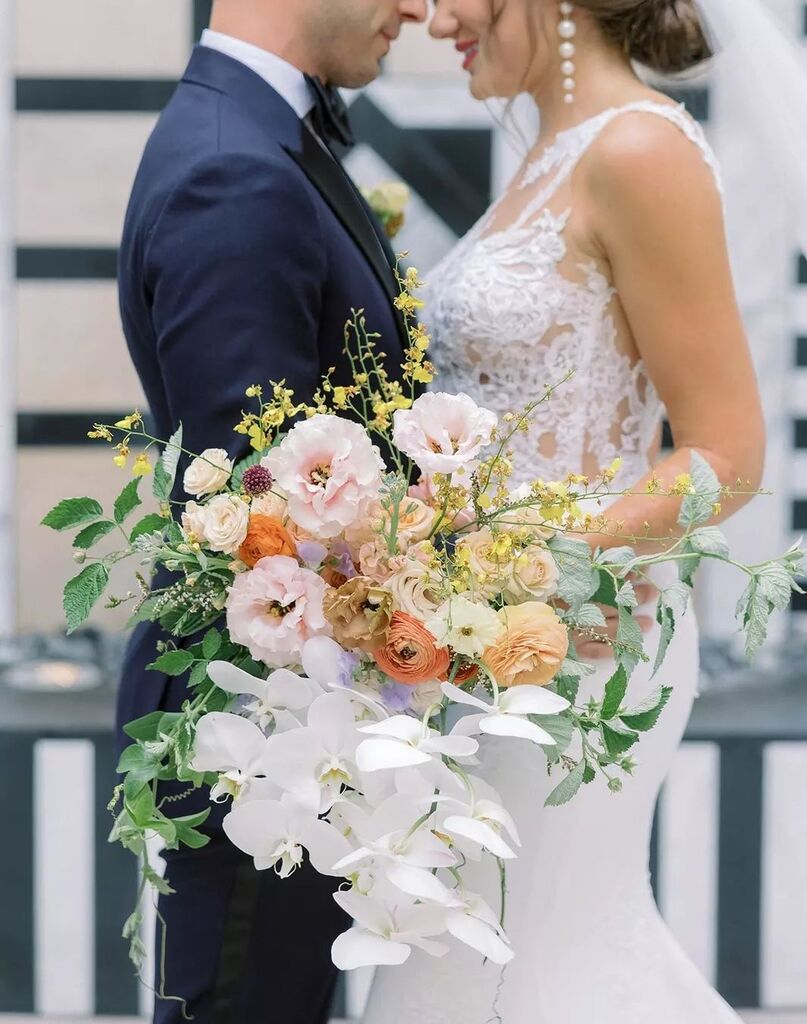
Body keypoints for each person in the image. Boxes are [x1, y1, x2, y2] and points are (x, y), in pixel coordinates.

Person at [362, 0, 766, 1021]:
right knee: (460, 955)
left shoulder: (640, 150)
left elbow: (728, 453)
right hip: (478, 638)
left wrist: (527, 559)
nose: (436, 16)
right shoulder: (546, 155)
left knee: (532, 958)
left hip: (585, 635)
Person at [117, 1, 427, 1021]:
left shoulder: (261, 134)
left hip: (300, 727)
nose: (420, 8)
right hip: (262, 735)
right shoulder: (232, 173)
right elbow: (257, 523)